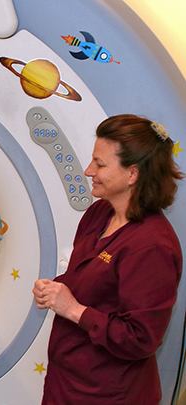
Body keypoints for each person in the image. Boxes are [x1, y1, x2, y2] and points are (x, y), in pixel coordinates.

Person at [32, 114, 183, 404]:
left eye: (100, 164)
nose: (89, 171)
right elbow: (91, 280)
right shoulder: (99, 213)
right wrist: (55, 289)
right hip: (68, 380)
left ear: (133, 174)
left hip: (109, 393)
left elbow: (140, 338)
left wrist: (73, 309)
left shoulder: (152, 247)